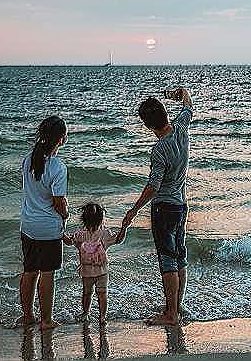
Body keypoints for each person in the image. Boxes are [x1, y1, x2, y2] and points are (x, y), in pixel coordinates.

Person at [123, 87, 192, 326]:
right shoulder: (182, 128)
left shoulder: (159, 149)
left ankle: (170, 314)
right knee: (179, 257)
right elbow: (188, 103)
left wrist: (134, 210)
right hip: (182, 205)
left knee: (167, 260)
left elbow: (153, 186)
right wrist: (178, 93)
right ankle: (176, 307)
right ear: (165, 113)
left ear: (147, 125)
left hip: (164, 208)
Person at [18, 115, 69, 330]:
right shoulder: (57, 167)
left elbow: (30, 191)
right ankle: (46, 321)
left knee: (30, 271)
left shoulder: (28, 159)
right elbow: (58, 203)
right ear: (62, 139)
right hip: (48, 228)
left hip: (28, 225)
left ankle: (28, 316)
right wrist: (65, 214)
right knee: (47, 274)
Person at [63, 203, 128, 325]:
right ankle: (100, 316)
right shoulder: (98, 234)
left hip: (91, 272)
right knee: (101, 294)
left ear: (84, 219)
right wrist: (124, 228)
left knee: (88, 293)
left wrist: (60, 231)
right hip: (99, 271)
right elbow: (118, 240)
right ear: (101, 219)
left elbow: (69, 242)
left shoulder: (84, 234)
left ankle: (87, 313)